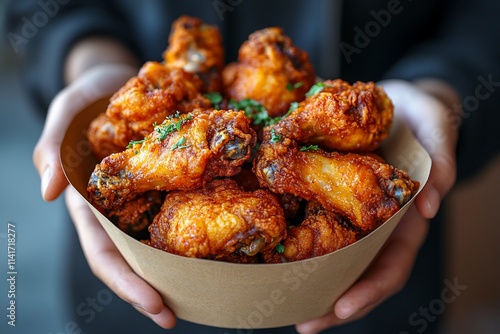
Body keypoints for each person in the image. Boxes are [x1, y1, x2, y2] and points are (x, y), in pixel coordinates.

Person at [6, 0, 500, 333]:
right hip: (140, 289)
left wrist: (446, 87)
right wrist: (89, 60)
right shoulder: (153, 142)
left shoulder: (291, 144)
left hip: (366, 279)